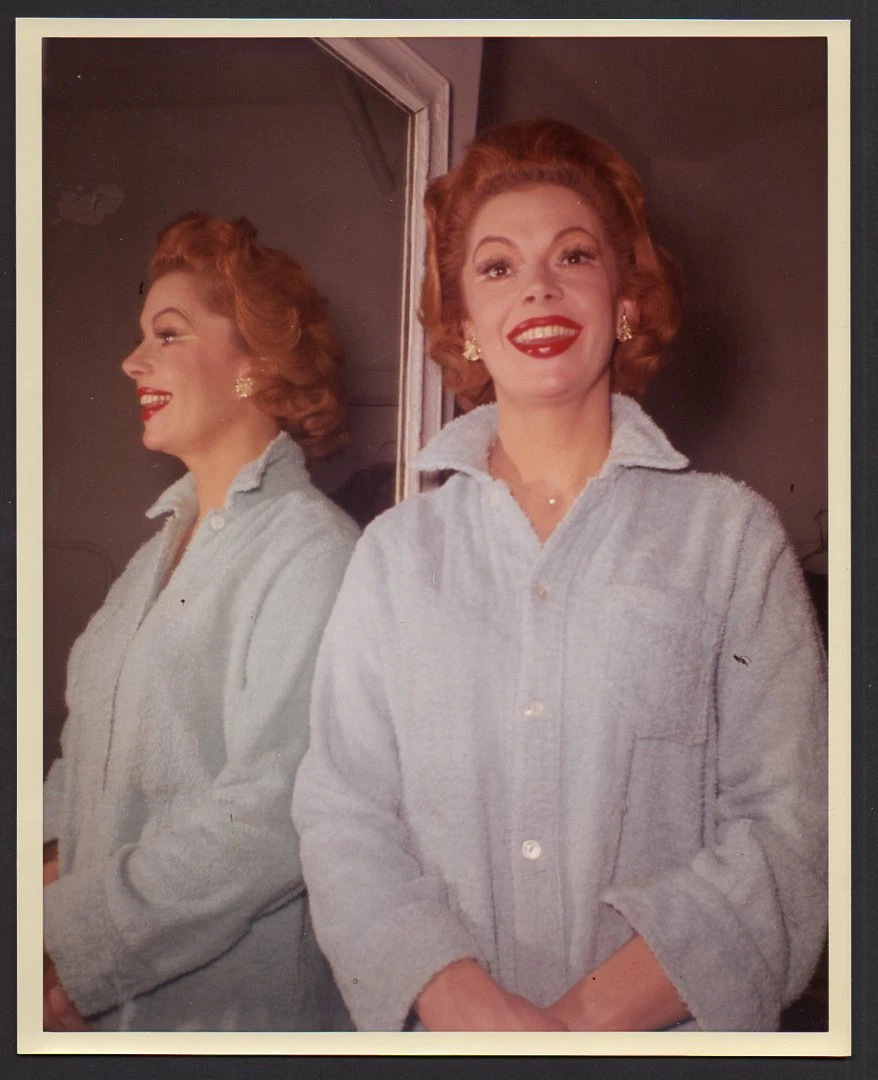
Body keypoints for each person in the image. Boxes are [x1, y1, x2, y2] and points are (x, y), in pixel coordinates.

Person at [292, 119, 828, 1031]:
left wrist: (569, 1033)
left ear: (624, 301)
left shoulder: (733, 538)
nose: (537, 283)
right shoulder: (392, 555)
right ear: (464, 326)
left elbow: (793, 832)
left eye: (573, 255)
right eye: (498, 266)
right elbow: (343, 814)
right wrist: (477, 1020)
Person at [43, 213, 360, 1031]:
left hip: (221, 1017)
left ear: (252, 365)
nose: (131, 360)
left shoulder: (313, 551)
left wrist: (76, 945)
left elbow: (274, 811)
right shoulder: (153, 555)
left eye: (168, 335)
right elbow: (78, 768)